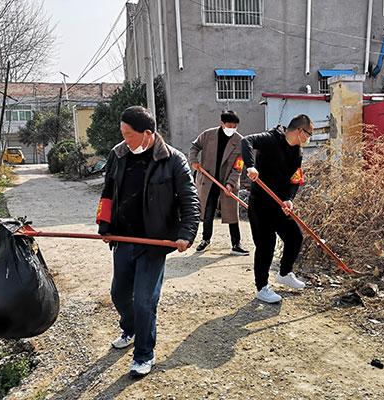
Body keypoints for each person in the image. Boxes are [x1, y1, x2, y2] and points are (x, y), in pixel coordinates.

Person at [96, 106, 200, 378]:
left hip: (154, 242)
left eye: (129, 135)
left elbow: (189, 200)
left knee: (144, 300)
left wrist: (186, 233)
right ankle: (130, 328)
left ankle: (144, 354)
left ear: (147, 134)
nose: (124, 140)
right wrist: (104, 224)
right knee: (119, 293)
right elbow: (108, 193)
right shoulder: (118, 155)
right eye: (122, 134)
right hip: (123, 238)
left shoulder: (173, 160)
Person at [241, 114, 312, 303]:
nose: (308, 139)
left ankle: (284, 273)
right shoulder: (270, 139)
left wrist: (289, 199)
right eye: (308, 134)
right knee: (266, 245)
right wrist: (250, 166)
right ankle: (262, 287)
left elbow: (294, 179)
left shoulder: (297, 152)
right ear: (299, 130)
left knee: (295, 237)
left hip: (279, 205)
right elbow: (246, 140)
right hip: (260, 204)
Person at [188, 111, 249, 256]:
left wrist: (231, 183)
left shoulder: (240, 142)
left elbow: (238, 166)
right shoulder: (208, 135)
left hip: (227, 182)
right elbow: (194, 147)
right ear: (222, 124)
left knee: (231, 214)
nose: (232, 128)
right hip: (208, 181)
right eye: (230, 125)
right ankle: (205, 240)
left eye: (235, 126)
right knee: (208, 212)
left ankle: (236, 244)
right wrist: (194, 161)